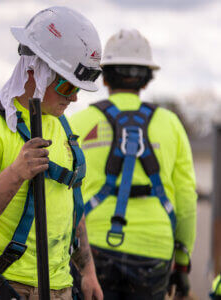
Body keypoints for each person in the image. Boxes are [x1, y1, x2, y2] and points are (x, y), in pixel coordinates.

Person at [0, 6, 103, 300]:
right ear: (34, 70)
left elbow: (70, 208)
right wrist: (16, 174)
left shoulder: (62, 129)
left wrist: (88, 272)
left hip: (59, 288)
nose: (74, 96)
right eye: (67, 84)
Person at [70, 29, 197, 299]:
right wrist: (182, 260)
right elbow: (186, 198)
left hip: (92, 249)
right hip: (154, 250)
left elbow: (61, 194)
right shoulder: (171, 125)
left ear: (104, 76)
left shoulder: (78, 123)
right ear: (147, 78)